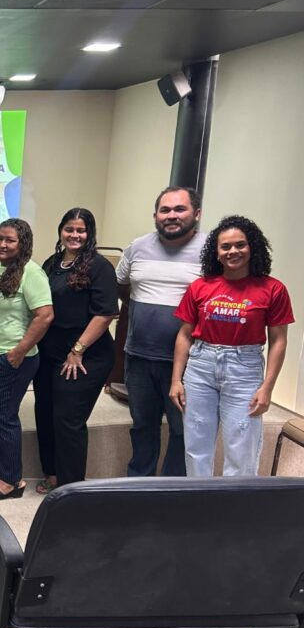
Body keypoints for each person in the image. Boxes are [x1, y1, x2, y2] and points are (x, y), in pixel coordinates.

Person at [171, 216, 293, 477]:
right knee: (196, 446)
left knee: (242, 447)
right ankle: (199, 498)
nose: (232, 251)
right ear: (216, 252)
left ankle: (237, 502)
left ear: (252, 247)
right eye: (225, 247)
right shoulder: (200, 287)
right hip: (200, 366)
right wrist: (176, 380)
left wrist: (267, 387)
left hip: (244, 369)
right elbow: (184, 335)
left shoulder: (273, 289)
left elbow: (279, 340)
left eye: (240, 245)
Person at [116, 186, 206, 478]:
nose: (171, 215)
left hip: (188, 362)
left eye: (180, 209)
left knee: (182, 430)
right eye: (165, 210)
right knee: (143, 425)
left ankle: (171, 490)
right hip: (138, 357)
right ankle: (138, 486)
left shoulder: (211, 251)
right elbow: (121, 285)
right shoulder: (137, 247)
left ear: (196, 213)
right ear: (155, 215)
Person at [33, 208, 119, 493]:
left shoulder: (99, 266)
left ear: (89, 234)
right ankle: (53, 475)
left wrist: (77, 350)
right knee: (45, 412)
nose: (74, 235)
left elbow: (105, 314)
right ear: (61, 231)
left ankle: (70, 489)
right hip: (50, 352)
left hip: (85, 355)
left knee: (68, 419)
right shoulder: (52, 263)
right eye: (69, 229)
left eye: (81, 230)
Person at [0, 218, 54, 500]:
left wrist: (19, 351)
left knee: (4, 417)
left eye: (10, 240)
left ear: (23, 244)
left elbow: (45, 315)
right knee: (0, 415)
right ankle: (2, 468)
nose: (2, 244)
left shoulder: (32, 273)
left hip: (12, 358)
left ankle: (11, 479)